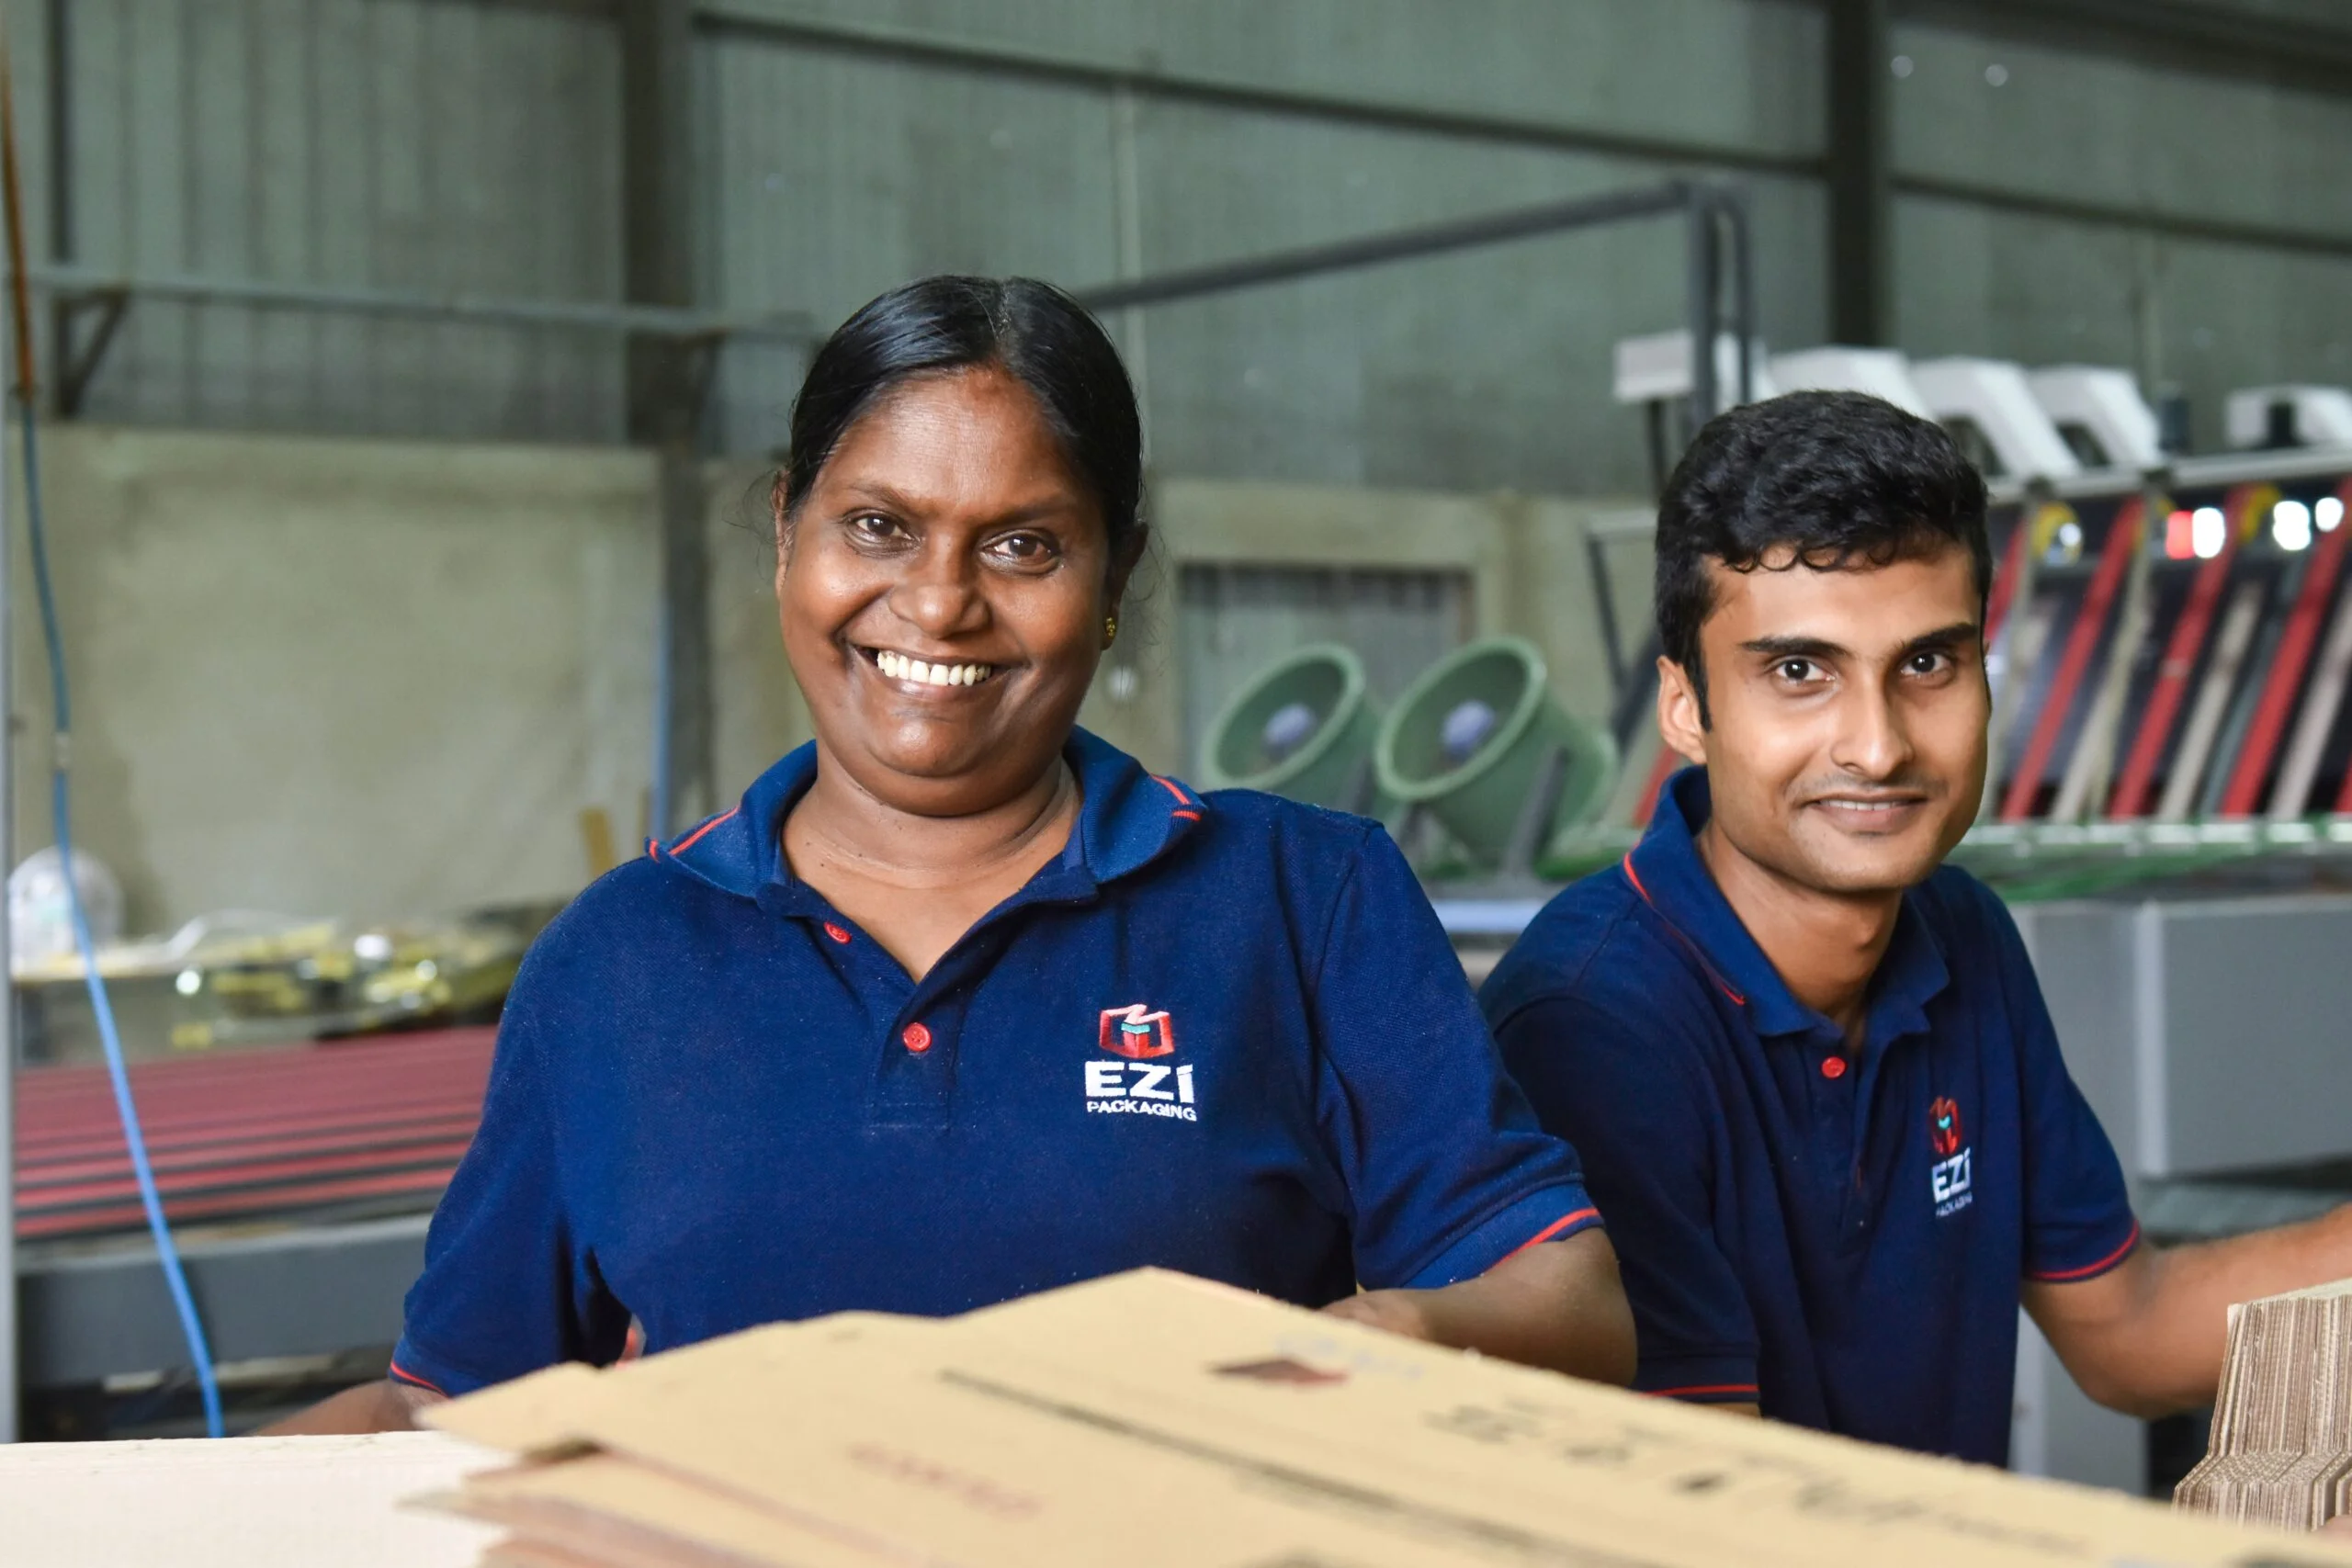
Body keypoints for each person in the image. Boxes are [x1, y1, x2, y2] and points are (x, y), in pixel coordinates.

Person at [271, 276, 1633, 1434]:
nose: (938, 601)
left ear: (1113, 584)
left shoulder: (1300, 897)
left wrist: (1350, 1344)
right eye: (878, 525)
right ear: (788, 529)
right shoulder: (619, 956)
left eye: (1026, 544)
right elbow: (452, 1399)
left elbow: (1568, 1302)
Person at [1481, 390, 2352, 1464]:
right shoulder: (1594, 1021)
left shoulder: (1962, 936)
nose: (1877, 747)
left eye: (1927, 664)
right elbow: (1714, 1507)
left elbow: (2127, 1331)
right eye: (1799, 673)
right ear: (1684, 707)